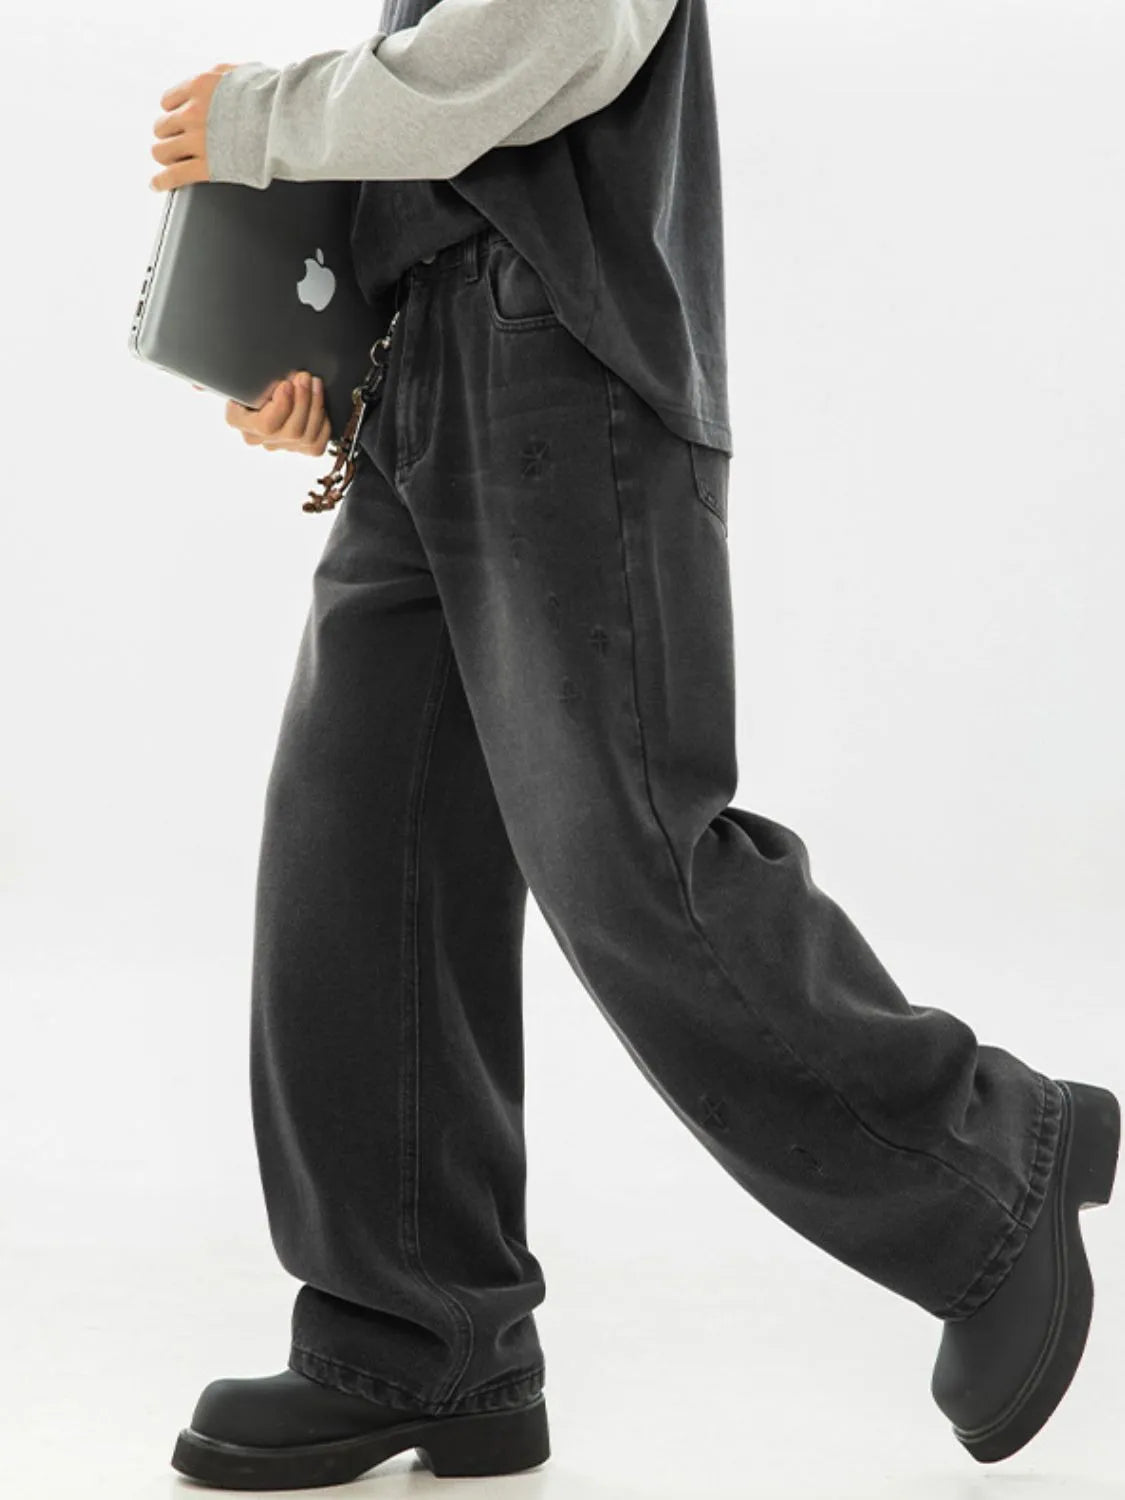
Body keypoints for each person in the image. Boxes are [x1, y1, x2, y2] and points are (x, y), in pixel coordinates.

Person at [148, 2, 1119, 1490]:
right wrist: (337, 351)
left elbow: (536, 46)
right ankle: (418, 1335)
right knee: (356, 864)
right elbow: (448, 141)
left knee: (629, 860)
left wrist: (261, 118)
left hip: (563, 370)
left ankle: (987, 1167)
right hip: (421, 382)